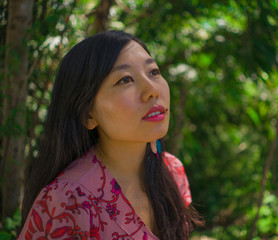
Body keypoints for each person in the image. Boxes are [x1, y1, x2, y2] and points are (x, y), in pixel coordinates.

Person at [18, 30, 203, 240]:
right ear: (88, 114)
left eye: (153, 72)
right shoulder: (67, 201)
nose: (152, 89)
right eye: (125, 80)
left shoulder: (171, 170)